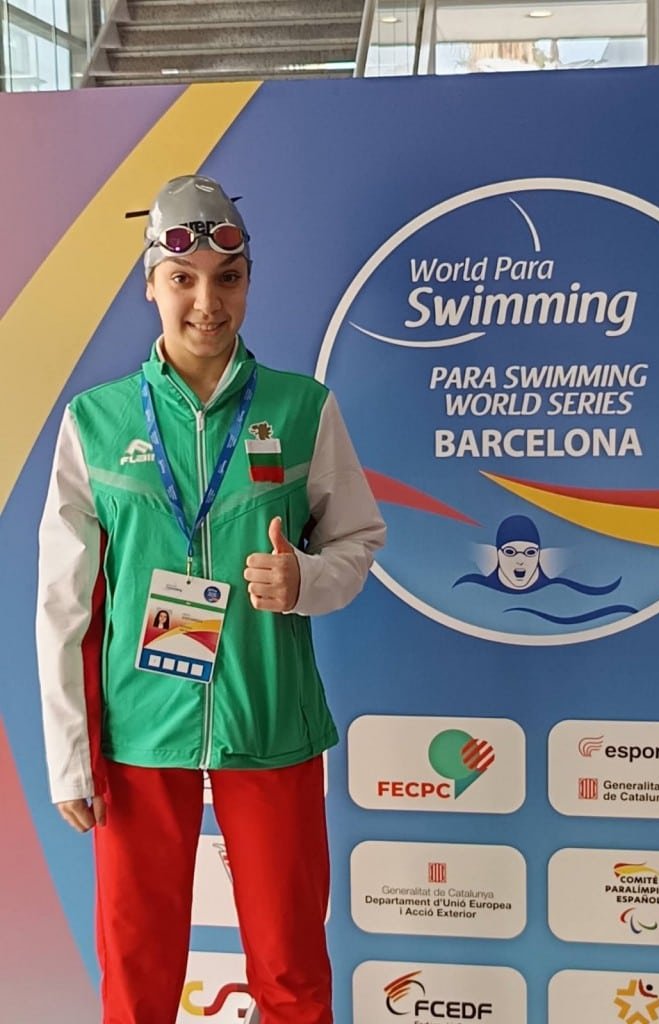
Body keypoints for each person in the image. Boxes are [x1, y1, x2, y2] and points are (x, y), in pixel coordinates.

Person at [35, 175, 385, 1024]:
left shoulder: (302, 410)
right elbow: (63, 605)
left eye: (227, 279)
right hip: (136, 730)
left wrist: (304, 581)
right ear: (150, 283)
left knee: (291, 969)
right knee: (137, 974)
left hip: (268, 718)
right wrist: (70, 756)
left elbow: (358, 542)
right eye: (182, 280)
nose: (206, 303)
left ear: (248, 281)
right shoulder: (95, 421)